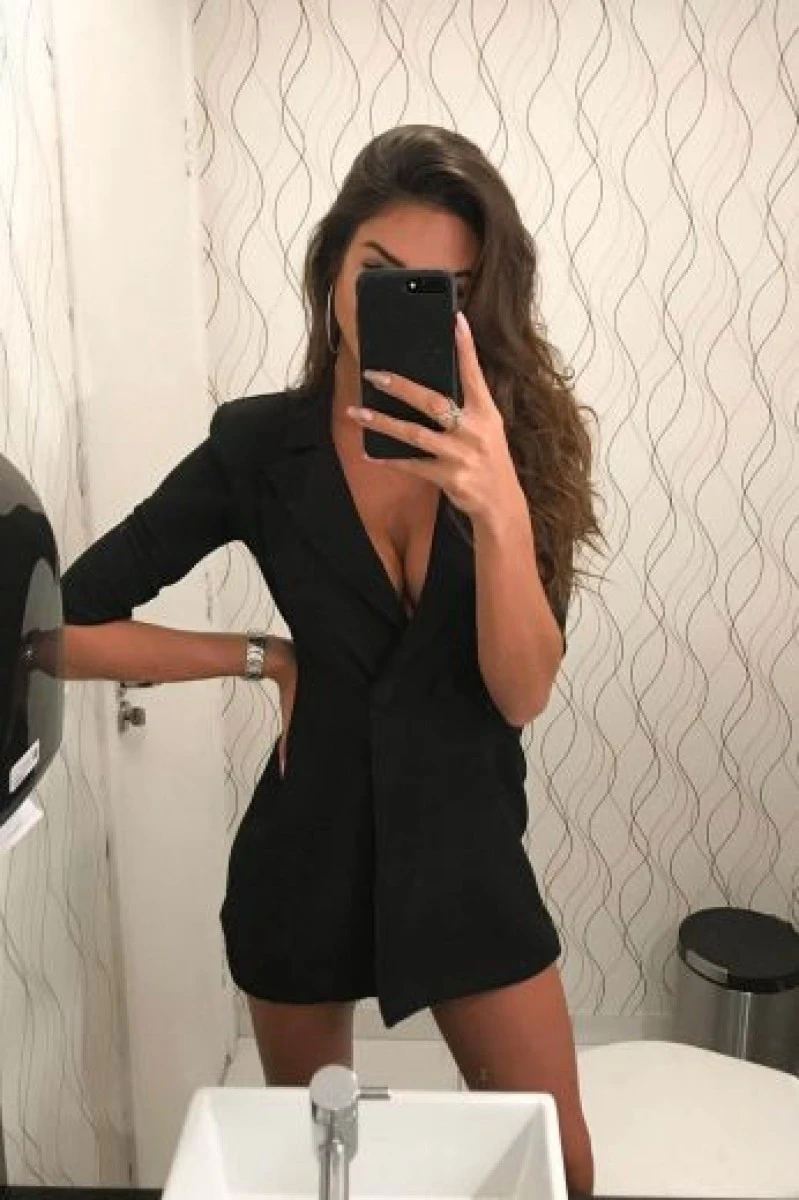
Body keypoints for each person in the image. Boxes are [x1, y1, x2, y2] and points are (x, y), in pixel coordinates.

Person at [58, 124, 601, 1194]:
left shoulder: (521, 445)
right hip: (306, 854)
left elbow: (520, 692)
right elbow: (60, 627)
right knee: (318, 1164)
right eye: (380, 274)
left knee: (561, 1165)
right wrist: (263, 657)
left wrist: (495, 507)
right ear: (331, 274)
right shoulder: (259, 446)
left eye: (444, 290)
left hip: (465, 849)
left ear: (477, 306)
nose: (405, 304)